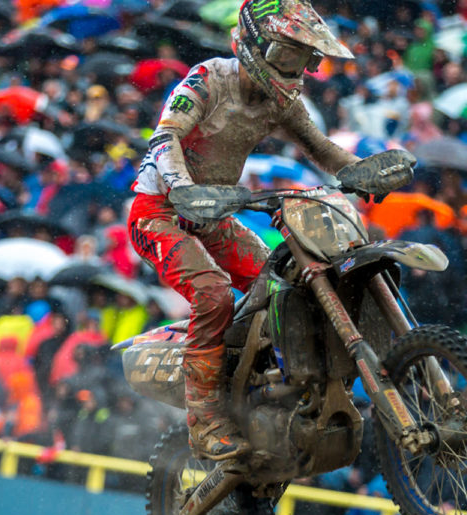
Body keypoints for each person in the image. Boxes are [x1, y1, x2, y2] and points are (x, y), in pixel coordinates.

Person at [124, 0, 413, 459]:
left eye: (305, 60)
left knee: (282, 285)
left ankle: (264, 388)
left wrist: (364, 171)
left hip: (215, 213)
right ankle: (205, 418)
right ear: (257, 45)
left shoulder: (282, 99)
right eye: (289, 56)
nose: (297, 70)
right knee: (214, 294)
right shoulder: (208, 79)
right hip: (158, 209)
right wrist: (180, 186)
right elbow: (166, 138)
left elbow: (320, 148)